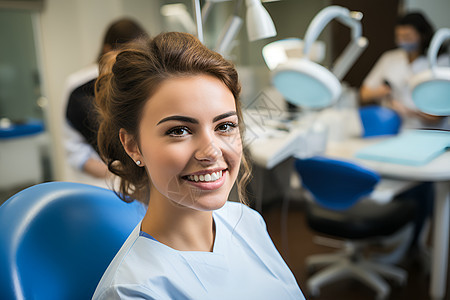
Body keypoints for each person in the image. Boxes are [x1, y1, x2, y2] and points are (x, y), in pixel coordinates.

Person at [91, 32, 305, 299]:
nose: (212, 152)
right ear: (133, 145)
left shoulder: (247, 222)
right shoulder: (133, 291)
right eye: (179, 130)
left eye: (224, 126)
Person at [63, 18, 148, 179]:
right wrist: (120, 174)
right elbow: (105, 140)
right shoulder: (81, 87)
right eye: (128, 53)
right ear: (108, 50)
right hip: (97, 179)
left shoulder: (139, 80)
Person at [360, 11, 450, 130]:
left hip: (433, 132)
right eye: (399, 36)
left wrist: (408, 111)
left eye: (407, 36)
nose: (402, 41)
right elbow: (364, 94)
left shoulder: (440, 61)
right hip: (398, 130)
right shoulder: (390, 58)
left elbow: (438, 114)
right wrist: (381, 92)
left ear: (422, 35)